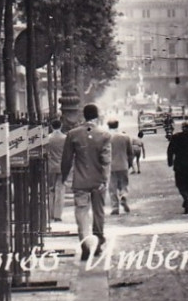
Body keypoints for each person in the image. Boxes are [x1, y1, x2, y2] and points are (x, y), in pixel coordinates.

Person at [61, 103, 113, 259]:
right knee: (98, 213)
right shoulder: (104, 135)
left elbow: (67, 160)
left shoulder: (73, 134)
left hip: (80, 182)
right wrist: (105, 179)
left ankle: (85, 245)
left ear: (83, 116)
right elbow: (106, 161)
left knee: (81, 214)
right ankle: (97, 243)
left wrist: (64, 178)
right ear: (97, 116)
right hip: (98, 181)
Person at [107, 118, 136, 214]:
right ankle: (123, 195)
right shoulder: (125, 137)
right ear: (117, 125)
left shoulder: (104, 137)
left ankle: (115, 207)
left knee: (112, 187)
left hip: (110, 166)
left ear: (108, 126)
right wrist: (130, 163)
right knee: (124, 184)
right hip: (123, 164)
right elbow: (130, 152)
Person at [44, 119, 68, 222]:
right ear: (61, 125)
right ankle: (58, 214)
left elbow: (45, 152)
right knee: (60, 190)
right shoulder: (65, 138)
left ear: (51, 126)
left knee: (50, 190)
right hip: (62, 167)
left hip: (50, 166)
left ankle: (50, 213)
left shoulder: (48, 138)